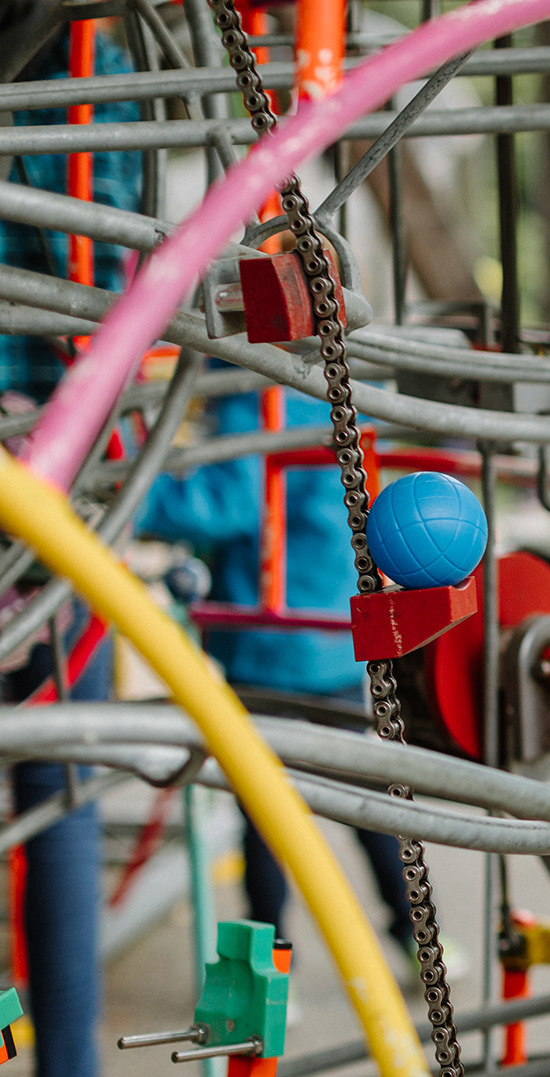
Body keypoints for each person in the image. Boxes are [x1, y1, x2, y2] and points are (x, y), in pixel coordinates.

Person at [139, 383, 418, 967]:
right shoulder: (337, 392)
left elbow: (226, 503)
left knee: (264, 817)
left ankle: (267, 965)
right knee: (363, 800)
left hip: (270, 650)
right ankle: (416, 941)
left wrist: (128, 488)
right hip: (332, 634)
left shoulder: (253, 397)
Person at [0, 27, 144, 1077]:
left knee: (59, 778)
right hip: (64, 445)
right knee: (61, 777)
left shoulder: (89, 71)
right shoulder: (95, 74)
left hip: (52, 448)